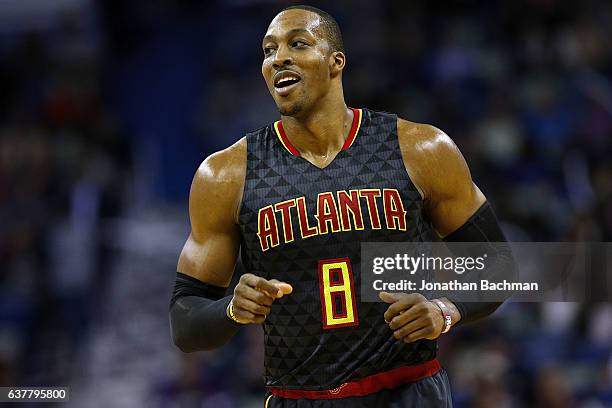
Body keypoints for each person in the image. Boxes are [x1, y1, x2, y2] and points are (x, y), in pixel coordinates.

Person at [170, 5, 514, 407]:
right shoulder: (225, 175)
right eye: (268, 50)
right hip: (298, 397)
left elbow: (500, 266)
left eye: (297, 43)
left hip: (406, 391)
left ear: (336, 62)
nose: (278, 57)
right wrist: (232, 309)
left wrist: (445, 310)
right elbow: (184, 321)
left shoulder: (420, 149)